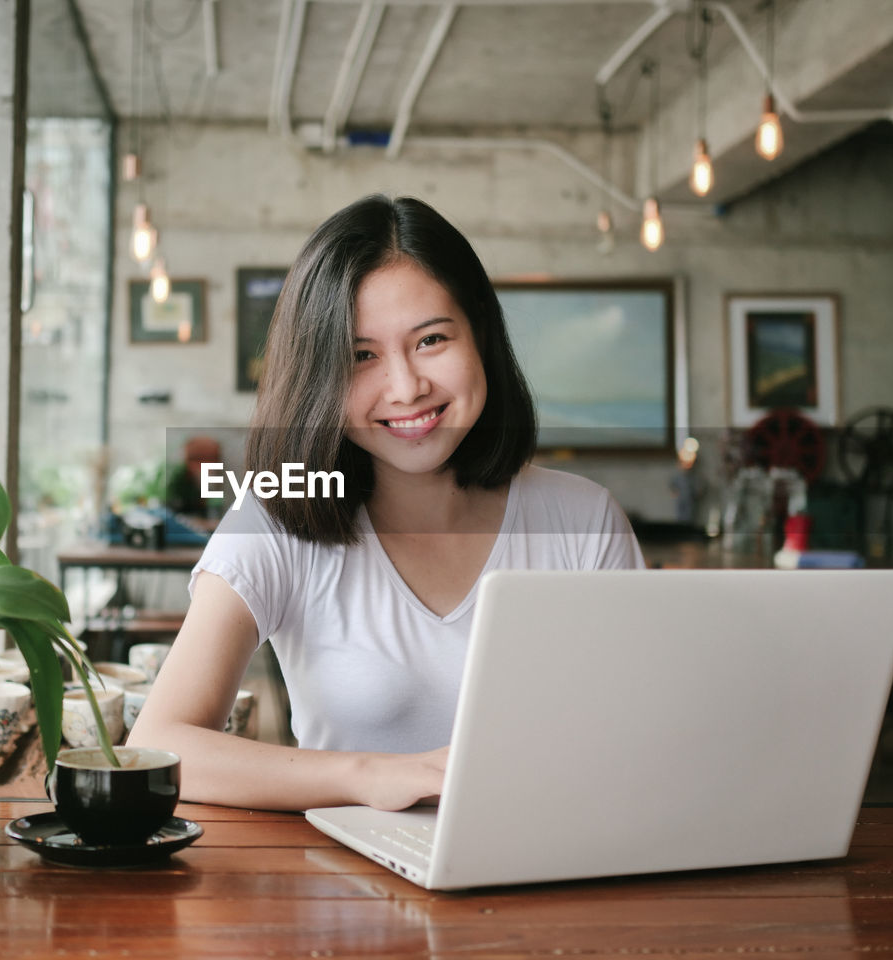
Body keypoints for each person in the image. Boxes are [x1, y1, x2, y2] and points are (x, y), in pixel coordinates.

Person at [127, 195, 644, 812]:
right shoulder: (276, 517)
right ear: (319, 376)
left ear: (479, 330)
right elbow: (160, 742)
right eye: (361, 356)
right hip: (346, 895)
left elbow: (639, 739)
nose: (406, 388)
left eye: (430, 340)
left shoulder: (584, 519)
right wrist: (367, 776)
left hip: (551, 871)